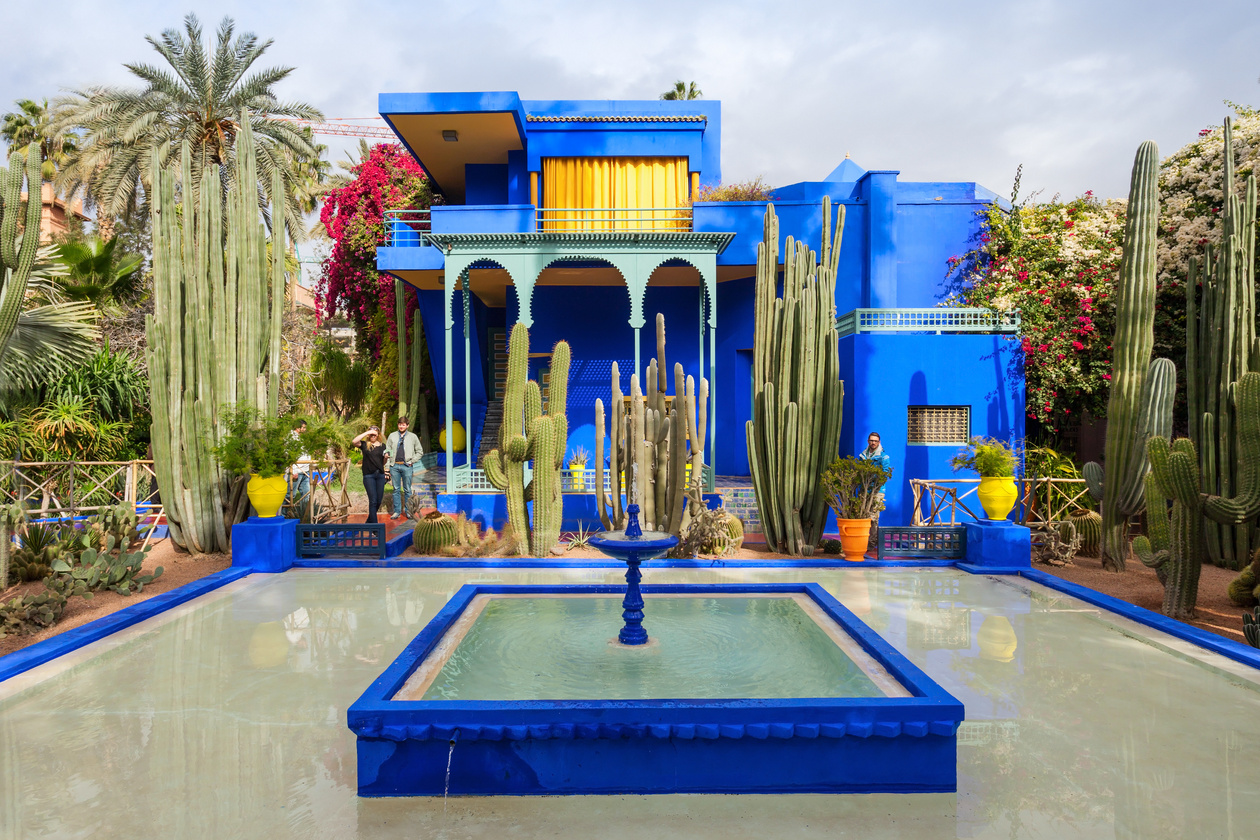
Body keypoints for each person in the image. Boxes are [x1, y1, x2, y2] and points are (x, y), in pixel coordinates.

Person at [384, 416, 423, 521]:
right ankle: (397, 511)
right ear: (398, 425)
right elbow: (387, 452)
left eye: (404, 424)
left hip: (407, 466)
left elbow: (420, 451)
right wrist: (387, 467)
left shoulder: (413, 437)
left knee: (407, 490)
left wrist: (412, 461)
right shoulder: (392, 436)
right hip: (394, 465)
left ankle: (409, 512)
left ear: (407, 425)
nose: (402, 426)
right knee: (396, 489)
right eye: (400, 424)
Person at [858, 432, 893, 548]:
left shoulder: (883, 457)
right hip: (864, 489)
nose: (873, 443)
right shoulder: (863, 455)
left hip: (877, 490)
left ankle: (872, 543)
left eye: (875, 441)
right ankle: (866, 540)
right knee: (863, 515)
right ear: (868, 441)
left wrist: (875, 484)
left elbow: (886, 473)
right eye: (871, 440)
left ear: (879, 442)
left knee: (873, 517)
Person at [352, 426, 388, 524]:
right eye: (371, 434)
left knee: (378, 501)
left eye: (374, 434)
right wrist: (367, 432)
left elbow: (383, 463)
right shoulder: (364, 444)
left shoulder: (383, 446)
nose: (372, 436)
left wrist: (385, 458)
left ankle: (368, 523)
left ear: (378, 435)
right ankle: (375, 528)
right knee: (373, 501)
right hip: (369, 476)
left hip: (380, 475)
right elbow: (354, 441)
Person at [286, 420, 311, 507]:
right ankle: (283, 515)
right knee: (290, 495)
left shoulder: (302, 438)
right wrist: (293, 470)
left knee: (306, 494)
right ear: (297, 428)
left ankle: (305, 515)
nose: (304, 429)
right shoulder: (291, 438)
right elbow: (289, 454)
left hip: (305, 470)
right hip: (297, 470)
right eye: (303, 427)